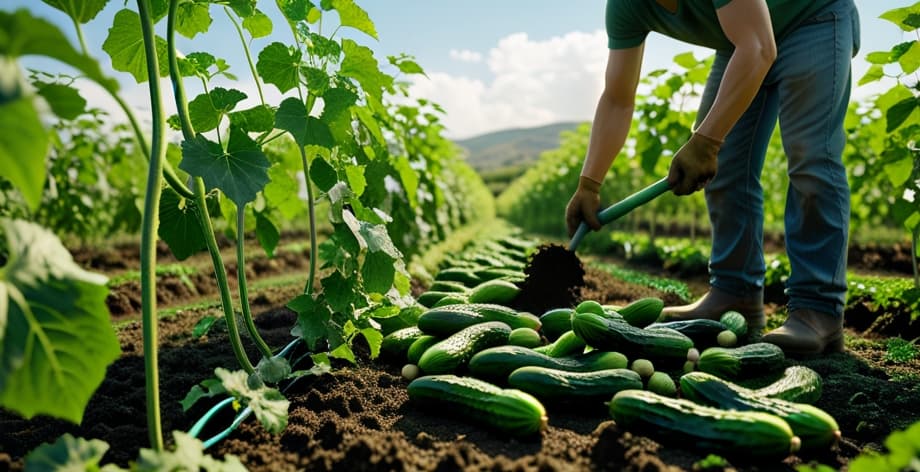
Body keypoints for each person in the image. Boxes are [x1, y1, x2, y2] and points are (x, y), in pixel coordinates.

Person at [565, 0, 859, 355]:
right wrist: (589, 183)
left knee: (811, 158)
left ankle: (818, 310)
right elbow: (617, 99)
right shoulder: (626, 6)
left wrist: (705, 142)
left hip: (812, 17)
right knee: (726, 169)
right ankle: (736, 294)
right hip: (744, 44)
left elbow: (759, 48)